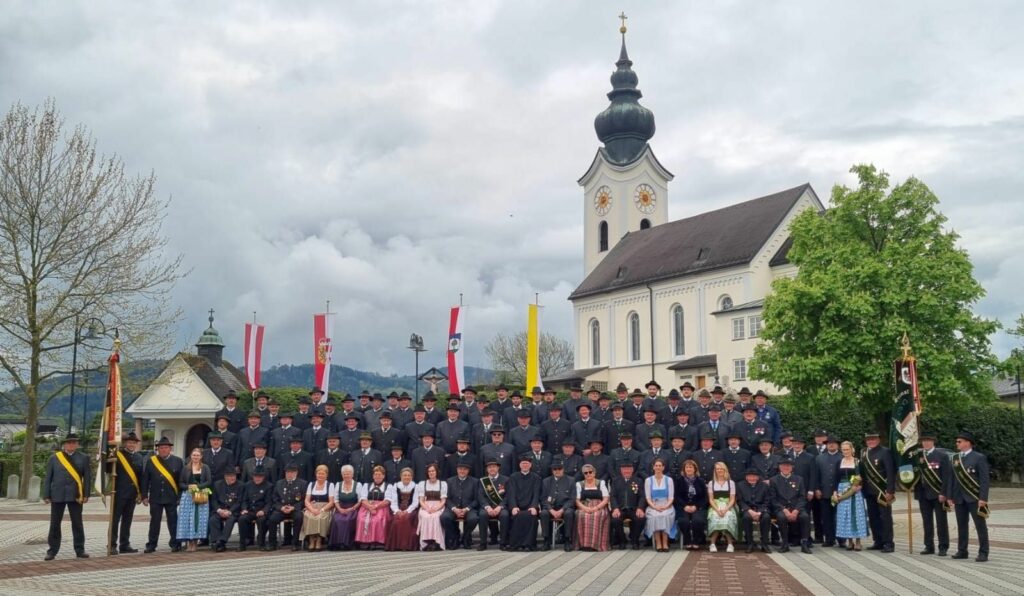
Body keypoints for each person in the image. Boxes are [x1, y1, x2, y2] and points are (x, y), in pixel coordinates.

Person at [43, 433, 91, 560]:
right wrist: (46, 494)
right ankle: (52, 551)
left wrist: (86, 494)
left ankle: (80, 549)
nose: (71, 445)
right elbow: (48, 477)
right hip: (57, 494)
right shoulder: (54, 458)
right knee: (54, 524)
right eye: (69, 442)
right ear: (64, 444)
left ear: (77, 444)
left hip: (76, 495)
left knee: (77, 523)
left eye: (74, 442)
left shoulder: (84, 458)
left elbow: (87, 478)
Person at [950, 430, 990, 562]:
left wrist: (983, 498)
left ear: (968, 443)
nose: (957, 443)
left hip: (974, 497)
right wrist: (950, 496)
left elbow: (984, 480)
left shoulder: (979, 457)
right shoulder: (955, 458)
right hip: (959, 497)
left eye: (959, 441)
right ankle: (962, 551)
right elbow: (952, 479)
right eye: (957, 441)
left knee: (980, 525)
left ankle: (983, 552)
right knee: (961, 525)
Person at [142, 436, 183, 553]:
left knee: (173, 522)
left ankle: (175, 543)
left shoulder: (178, 461)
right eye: (161, 448)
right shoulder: (151, 461)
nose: (164, 450)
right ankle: (151, 544)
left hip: (171, 496)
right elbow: (145, 480)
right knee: (154, 522)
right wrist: (144, 496)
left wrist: (180, 496)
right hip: (155, 497)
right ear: (158, 449)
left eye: (166, 447)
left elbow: (181, 481)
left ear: (170, 449)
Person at [915, 431, 952, 556]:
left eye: (928, 441)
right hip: (922, 493)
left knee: (941, 521)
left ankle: (943, 546)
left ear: (933, 442)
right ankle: (928, 546)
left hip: (938, 494)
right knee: (926, 521)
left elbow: (947, 476)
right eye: (924, 441)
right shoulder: (918, 455)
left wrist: (944, 493)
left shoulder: (941, 455)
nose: (926, 443)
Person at [860, 431, 895, 553]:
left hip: (882, 490)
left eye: (873, 439)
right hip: (869, 491)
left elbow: (890, 472)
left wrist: (890, 490)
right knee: (873, 517)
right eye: (868, 439)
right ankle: (878, 540)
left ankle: (888, 543)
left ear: (878, 440)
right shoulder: (864, 452)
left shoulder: (885, 452)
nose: (871, 441)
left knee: (885, 517)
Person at [110, 432, 144, 555]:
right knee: (115, 520)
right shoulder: (118, 455)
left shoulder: (139, 457)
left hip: (132, 494)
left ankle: (124, 544)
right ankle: (112, 544)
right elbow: (108, 469)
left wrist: (141, 493)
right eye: (129, 442)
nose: (131, 444)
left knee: (127, 520)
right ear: (125, 443)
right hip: (119, 493)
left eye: (134, 443)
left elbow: (141, 477)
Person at [770, 457, 812, 554]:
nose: (786, 467)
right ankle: (785, 544)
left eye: (788, 466)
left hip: (796, 508)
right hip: (781, 508)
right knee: (781, 517)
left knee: (805, 517)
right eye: (783, 466)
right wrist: (784, 510)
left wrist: (796, 510)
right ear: (779, 467)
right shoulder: (773, 480)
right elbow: (773, 499)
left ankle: (804, 543)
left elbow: (802, 497)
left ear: (792, 467)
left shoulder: (799, 479)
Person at [176, 447, 212, 552]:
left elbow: (209, 481)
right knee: (187, 519)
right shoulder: (186, 468)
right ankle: (188, 543)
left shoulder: (205, 467)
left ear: (201, 457)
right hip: (187, 496)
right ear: (191, 456)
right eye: (194, 455)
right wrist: (188, 487)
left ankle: (195, 543)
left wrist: (198, 487)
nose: (195, 457)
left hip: (200, 495)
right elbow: (181, 483)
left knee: (197, 520)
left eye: (197, 455)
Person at [834, 440, 867, 551]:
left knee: (856, 515)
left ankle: (858, 541)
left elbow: (864, 477)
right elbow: (835, 479)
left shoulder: (858, 462)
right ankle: (849, 541)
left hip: (855, 490)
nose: (845, 451)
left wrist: (860, 486)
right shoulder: (839, 462)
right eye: (843, 450)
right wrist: (835, 492)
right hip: (842, 490)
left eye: (847, 449)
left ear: (852, 449)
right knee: (845, 515)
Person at [505, 455, 542, 551]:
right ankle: (516, 544)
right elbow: (511, 493)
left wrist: (534, 506)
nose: (525, 465)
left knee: (531, 517)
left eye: (527, 463)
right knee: (516, 516)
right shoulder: (513, 477)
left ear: (530, 465)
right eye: (523, 463)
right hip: (517, 506)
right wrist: (513, 506)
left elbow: (536, 494)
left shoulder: (536, 477)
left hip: (530, 506)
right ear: (519, 465)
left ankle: (529, 545)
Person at [540, 458, 577, 551]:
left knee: (569, 513)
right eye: (555, 469)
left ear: (563, 469)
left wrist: (562, 510)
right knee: (543, 513)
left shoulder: (571, 480)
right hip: (551, 507)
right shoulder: (546, 481)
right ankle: (546, 540)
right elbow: (543, 499)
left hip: (565, 507)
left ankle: (567, 540)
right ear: (552, 470)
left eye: (559, 469)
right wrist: (551, 510)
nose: (557, 471)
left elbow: (572, 499)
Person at [268, 463, 307, 551]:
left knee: (299, 518)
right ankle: (272, 543)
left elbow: (304, 500)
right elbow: (274, 499)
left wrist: (294, 507)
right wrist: (281, 507)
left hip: (295, 509)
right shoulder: (279, 483)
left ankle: (295, 543)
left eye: (292, 472)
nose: (290, 474)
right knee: (272, 519)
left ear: (296, 473)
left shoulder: (303, 483)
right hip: (282, 509)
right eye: (288, 472)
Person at [812, 435, 842, 547]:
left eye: (833, 443)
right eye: (829, 443)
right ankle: (829, 539)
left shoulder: (843, 457)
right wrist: (817, 489)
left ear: (837, 445)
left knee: (839, 516)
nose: (831, 444)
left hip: (839, 492)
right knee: (826, 517)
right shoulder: (819, 458)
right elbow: (816, 475)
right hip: (824, 492)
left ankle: (841, 539)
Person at [442, 461, 479, 549]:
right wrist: (454, 508)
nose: (462, 471)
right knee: (444, 517)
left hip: (468, 508)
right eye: (460, 469)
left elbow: (477, 499)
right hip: (453, 508)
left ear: (468, 471)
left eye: (465, 469)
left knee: (474, 519)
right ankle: (454, 537)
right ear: (457, 470)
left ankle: (465, 537)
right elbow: (447, 498)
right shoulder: (449, 481)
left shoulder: (475, 481)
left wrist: (467, 508)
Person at [609, 460, 645, 550]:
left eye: (629, 469)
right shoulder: (616, 481)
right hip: (620, 509)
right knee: (615, 520)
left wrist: (640, 508)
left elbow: (642, 496)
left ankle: (635, 540)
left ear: (632, 470)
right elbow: (612, 496)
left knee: (641, 519)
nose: (627, 471)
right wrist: (615, 508)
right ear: (621, 470)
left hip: (634, 508)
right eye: (624, 469)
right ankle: (622, 540)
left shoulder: (638, 481)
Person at [572, 463, 608, 551]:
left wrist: (596, 508)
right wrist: (585, 508)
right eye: (585, 473)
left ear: (594, 473)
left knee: (597, 515)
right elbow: (577, 500)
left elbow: (606, 499)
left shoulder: (601, 483)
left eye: (590, 472)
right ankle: (583, 545)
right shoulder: (579, 484)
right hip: (584, 505)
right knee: (581, 515)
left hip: (599, 506)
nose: (588, 474)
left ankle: (595, 545)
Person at [355, 465, 392, 549]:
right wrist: (370, 507)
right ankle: (364, 541)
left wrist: (375, 507)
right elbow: (363, 499)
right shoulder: (366, 485)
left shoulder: (388, 486)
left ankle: (377, 541)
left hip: (381, 507)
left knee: (377, 520)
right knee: (361, 519)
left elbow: (387, 500)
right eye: (375, 474)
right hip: (367, 506)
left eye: (379, 474)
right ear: (373, 476)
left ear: (383, 476)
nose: (377, 476)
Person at [477, 459, 510, 550]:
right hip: (487, 507)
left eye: (494, 467)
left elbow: (508, 496)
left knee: (505, 515)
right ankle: (483, 543)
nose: (492, 469)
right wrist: (487, 507)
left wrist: (500, 507)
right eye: (489, 467)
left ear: (498, 468)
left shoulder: (506, 479)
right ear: (487, 469)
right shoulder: (482, 481)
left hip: (501, 507)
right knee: (482, 515)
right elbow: (480, 496)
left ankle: (503, 542)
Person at [300, 465, 335, 551]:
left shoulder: (330, 485)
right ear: (316, 474)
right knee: (309, 516)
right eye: (319, 473)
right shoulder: (311, 484)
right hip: (312, 507)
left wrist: (322, 510)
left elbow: (331, 502)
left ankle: (319, 540)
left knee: (321, 517)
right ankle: (312, 540)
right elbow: (307, 500)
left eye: (323, 474)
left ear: (326, 475)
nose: (320, 476)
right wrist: (312, 509)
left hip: (325, 507)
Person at [644, 459, 676, 552]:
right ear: (653, 467)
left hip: (666, 505)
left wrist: (665, 506)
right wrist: (654, 507)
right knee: (655, 516)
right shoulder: (648, 480)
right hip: (653, 505)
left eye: (660, 465)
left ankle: (665, 542)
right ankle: (658, 542)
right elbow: (648, 498)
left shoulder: (669, 480)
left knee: (665, 515)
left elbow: (671, 497)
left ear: (663, 467)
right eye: (656, 465)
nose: (658, 467)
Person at [706, 461, 738, 553]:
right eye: (717, 469)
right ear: (715, 471)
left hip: (728, 505)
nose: (719, 471)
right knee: (715, 517)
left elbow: (732, 499)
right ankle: (712, 543)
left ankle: (730, 544)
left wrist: (726, 509)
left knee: (727, 517)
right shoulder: (711, 483)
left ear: (725, 470)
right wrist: (716, 509)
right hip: (715, 506)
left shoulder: (730, 483)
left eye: (721, 469)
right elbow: (711, 499)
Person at [238, 465, 272, 551]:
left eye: (260, 476)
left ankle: (261, 544)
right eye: (256, 476)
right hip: (250, 511)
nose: (257, 478)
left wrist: (264, 511)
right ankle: (242, 544)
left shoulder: (268, 486)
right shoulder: (247, 485)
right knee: (242, 519)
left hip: (261, 511)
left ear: (263, 477)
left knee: (262, 520)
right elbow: (244, 500)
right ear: (253, 476)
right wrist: (244, 509)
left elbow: (269, 502)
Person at [737, 467, 771, 553]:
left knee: (766, 517)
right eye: (750, 476)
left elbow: (767, 501)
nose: (752, 478)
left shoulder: (764, 486)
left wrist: (760, 512)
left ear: (758, 477)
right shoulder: (740, 485)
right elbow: (740, 501)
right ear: (746, 477)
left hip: (761, 509)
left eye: (754, 476)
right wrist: (749, 510)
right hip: (747, 509)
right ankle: (750, 543)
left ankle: (764, 544)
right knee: (746, 518)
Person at [675, 459, 707, 550]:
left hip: (697, 507)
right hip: (683, 507)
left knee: (698, 521)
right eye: (687, 467)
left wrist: (696, 506)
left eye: (691, 467)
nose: (689, 469)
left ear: (695, 469)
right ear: (684, 469)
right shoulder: (679, 481)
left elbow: (704, 497)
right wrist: (684, 506)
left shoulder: (700, 481)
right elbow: (676, 496)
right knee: (683, 521)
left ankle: (696, 541)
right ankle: (687, 541)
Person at [209, 468, 243, 552]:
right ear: (225, 477)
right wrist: (219, 510)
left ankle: (222, 541)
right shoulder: (217, 484)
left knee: (230, 520)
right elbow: (213, 500)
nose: (233, 478)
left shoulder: (240, 485)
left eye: (234, 476)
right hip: (220, 509)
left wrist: (230, 511)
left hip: (233, 511)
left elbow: (239, 502)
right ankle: (215, 541)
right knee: (213, 519)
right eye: (230, 476)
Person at [385, 467, 419, 551]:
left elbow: (415, 502)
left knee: (406, 519)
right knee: (396, 519)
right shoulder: (396, 486)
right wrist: (397, 511)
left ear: (412, 477)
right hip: (399, 508)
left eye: (408, 475)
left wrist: (407, 511)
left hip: (411, 509)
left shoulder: (416, 486)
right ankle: (396, 545)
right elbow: (393, 502)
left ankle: (406, 546)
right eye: (404, 475)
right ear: (401, 476)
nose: (406, 477)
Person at [328, 464, 360, 550]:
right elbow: (336, 500)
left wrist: (352, 508)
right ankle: (337, 543)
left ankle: (347, 543)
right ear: (342, 475)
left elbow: (360, 500)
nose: (346, 475)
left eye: (348, 473)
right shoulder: (338, 485)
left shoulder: (358, 485)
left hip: (353, 508)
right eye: (344, 474)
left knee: (347, 520)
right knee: (337, 519)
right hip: (341, 508)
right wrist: (339, 509)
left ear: (352, 474)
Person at [415, 463, 447, 550]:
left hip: (438, 506)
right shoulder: (423, 484)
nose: (431, 473)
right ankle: (426, 543)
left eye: (433, 471)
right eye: (429, 471)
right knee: (425, 516)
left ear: (436, 472)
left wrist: (436, 508)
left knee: (436, 517)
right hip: (426, 506)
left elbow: (443, 501)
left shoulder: (442, 484)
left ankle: (436, 542)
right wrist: (427, 508)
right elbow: (421, 500)